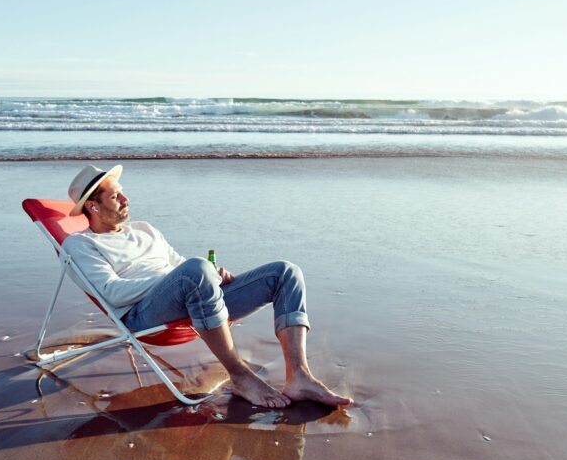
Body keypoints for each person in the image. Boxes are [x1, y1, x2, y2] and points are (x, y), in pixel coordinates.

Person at [61, 163, 352, 409]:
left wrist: (210, 274)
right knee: (196, 268)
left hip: (191, 297)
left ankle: (299, 376)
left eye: (123, 192)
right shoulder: (81, 244)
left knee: (285, 272)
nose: (125, 199)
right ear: (93, 206)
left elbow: (179, 264)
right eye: (115, 196)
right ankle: (239, 375)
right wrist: (190, 275)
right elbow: (111, 291)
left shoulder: (145, 229)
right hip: (143, 315)